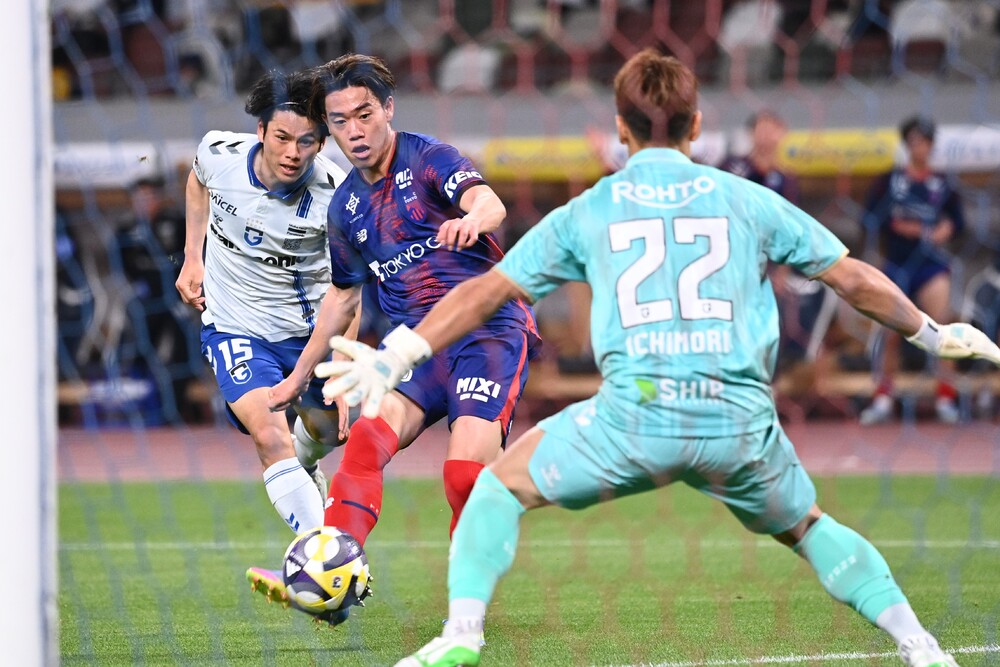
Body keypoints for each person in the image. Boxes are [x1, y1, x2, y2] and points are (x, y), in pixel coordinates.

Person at [321, 50, 1000, 667]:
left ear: (621, 129)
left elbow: (487, 290)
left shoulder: (594, 206)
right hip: (736, 420)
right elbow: (852, 279)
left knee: (493, 489)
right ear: (697, 125)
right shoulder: (746, 197)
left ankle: (462, 633)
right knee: (810, 527)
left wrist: (399, 351)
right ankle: (921, 646)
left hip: (632, 417)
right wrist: (934, 334)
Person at [245, 54, 541, 623]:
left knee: (464, 475)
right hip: (416, 347)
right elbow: (342, 300)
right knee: (364, 442)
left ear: (388, 109)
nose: (354, 131)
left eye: (364, 114)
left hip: (488, 333)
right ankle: (330, 577)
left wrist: (473, 220)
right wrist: (301, 376)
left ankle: (466, 614)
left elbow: (489, 202)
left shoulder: (428, 159)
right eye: (339, 121)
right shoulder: (345, 208)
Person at [175, 68, 350, 537]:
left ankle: (306, 466)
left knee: (329, 432)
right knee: (270, 437)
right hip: (234, 327)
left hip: (308, 336)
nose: (293, 153)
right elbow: (198, 181)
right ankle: (322, 554)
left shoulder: (337, 198)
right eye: (282, 138)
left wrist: (341, 370)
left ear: (322, 143)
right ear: (261, 131)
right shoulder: (218, 153)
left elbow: (348, 291)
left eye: (307, 141)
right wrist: (193, 256)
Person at [858, 115, 966, 425]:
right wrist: (898, 227)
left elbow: (959, 222)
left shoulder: (943, 183)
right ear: (907, 144)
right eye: (914, 141)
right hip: (897, 264)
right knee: (889, 331)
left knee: (941, 329)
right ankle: (883, 398)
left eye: (925, 141)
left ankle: (946, 397)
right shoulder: (889, 180)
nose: (920, 147)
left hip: (931, 265)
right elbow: (868, 218)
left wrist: (946, 228)